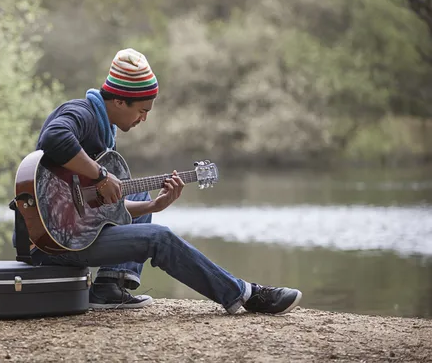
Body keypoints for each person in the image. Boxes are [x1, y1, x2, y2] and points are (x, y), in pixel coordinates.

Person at [22, 48, 302, 315]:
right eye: (142, 110)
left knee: (141, 195)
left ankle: (110, 286)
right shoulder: (81, 114)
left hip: (72, 234)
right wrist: (101, 175)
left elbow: (95, 211)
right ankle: (245, 294)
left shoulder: (105, 131)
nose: (144, 118)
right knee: (160, 238)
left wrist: (153, 207)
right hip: (52, 245)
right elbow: (54, 137)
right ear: (119, 101)